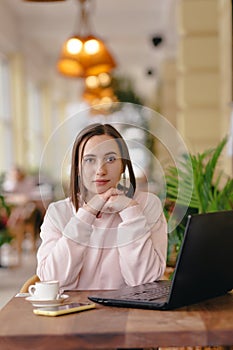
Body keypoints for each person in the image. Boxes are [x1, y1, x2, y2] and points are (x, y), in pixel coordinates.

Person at [36, 123, 167, 290]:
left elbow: (144, 281)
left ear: (123, 166)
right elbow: (52, 281)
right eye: (89, 160)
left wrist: (131, 212)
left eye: (111, 159)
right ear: (77, 167)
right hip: (74, 312)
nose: (100, 170)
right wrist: (87, 213)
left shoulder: (147, 205)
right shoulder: (58, 212)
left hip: (131, 313)